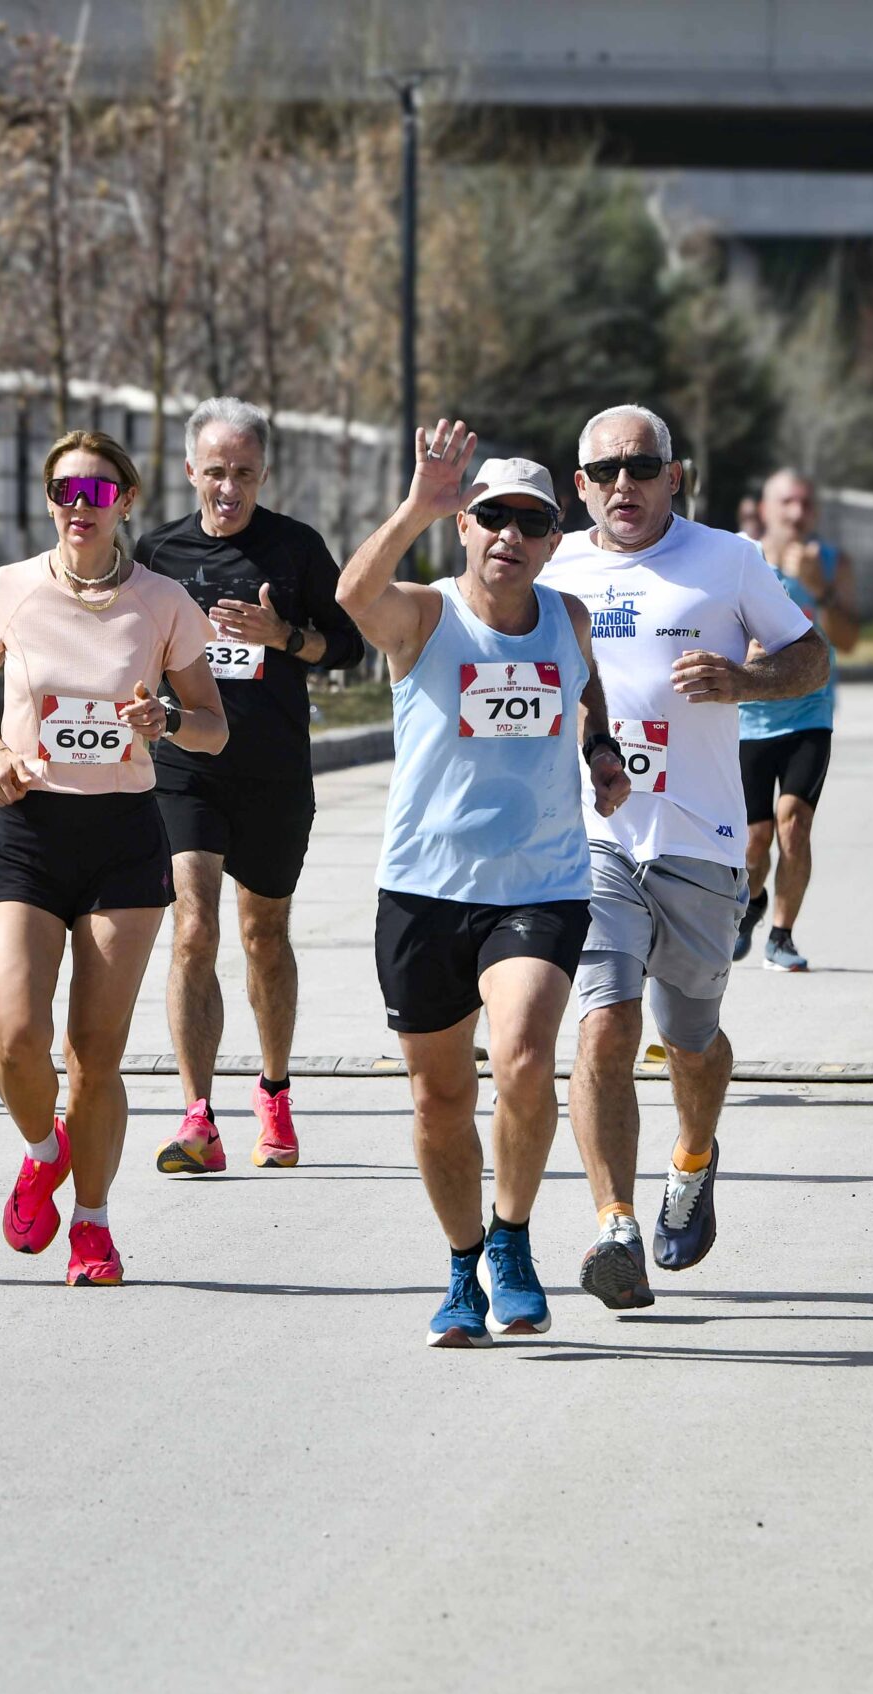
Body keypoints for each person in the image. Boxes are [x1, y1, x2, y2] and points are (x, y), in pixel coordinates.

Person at [337, 422, 628, 1347]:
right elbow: (352, 595)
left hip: (541, 882)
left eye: (531, 522)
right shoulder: (425, 617)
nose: (510, 534)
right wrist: (415, 507)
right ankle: (463, 1265)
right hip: (424, 888)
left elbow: (586, 688)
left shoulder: (568, 618)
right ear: (465, 525)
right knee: (438, 1099)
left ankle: (511, 1237)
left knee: (525, 1059)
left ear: (552, 539)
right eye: (492, 516)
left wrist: (600, 747)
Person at [540, 404, 828, 1312]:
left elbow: (813, 658)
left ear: (674, 474)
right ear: (580, 485)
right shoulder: (553, 566)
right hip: (594, 836)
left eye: (641, 466)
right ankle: (615, 1226)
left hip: (701, 836)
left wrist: (747, 680)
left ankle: (693, 1158)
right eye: (605, 471)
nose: (623, 484)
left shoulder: (728, 559)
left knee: (691, 1039)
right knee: (605, 1023)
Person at [0, 429, 226, 1287]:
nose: (81, 505)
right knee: (15, 1039)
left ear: (126, 502)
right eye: (65, 491)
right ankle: (45, 1151)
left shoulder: (162, 601)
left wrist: (167, 721)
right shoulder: (10, 589)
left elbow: (213, 726)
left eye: (98, 492)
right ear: (48, 501)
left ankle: (94, 1224)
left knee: (94, 1053)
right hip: (27, 830)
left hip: (121, 837)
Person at [136, 397, 365, 1174]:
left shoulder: (296, 549)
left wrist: (284, 636)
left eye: (243, 472)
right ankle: (197, 1116)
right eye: (215, 472)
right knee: (192, 927)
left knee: (263, 935)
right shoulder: (157, 551)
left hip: (272, 771)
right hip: (186, 768)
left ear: (264, 473)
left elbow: (349, 646)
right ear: (190, 471)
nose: (228, 488)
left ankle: (273, 1090)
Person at [734, 468, 858, 971]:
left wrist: (819, 590)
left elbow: (849, 641)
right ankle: (753, 901)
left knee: (794, 823)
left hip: (810, 711)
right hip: (746, 718)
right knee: (753, 840)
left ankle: (781, 937)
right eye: (786, 502)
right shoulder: (738, 558)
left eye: (806, 503)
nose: (797, 513)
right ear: (766, 509)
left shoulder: (831, 563)